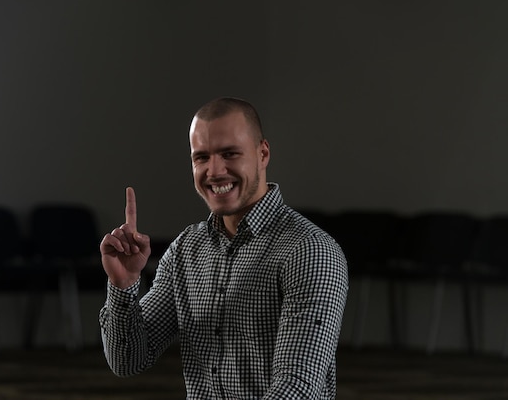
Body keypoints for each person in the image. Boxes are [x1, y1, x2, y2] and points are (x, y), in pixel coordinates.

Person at [99, 97, 348, 399]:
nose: (214, 171)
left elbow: (296, 388)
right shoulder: (185, 250)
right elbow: (128, 361)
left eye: (229, 153)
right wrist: (123, 287)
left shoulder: (310, 251)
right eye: (201, 157)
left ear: (263, 153)